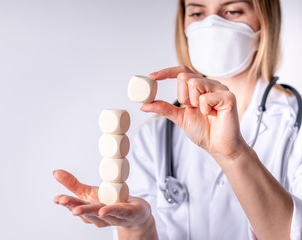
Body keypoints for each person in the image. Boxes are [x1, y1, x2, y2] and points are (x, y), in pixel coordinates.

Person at [53, 0, 302, 239]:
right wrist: (138, 227)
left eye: (233, 11)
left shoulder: (294, 125)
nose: (211, 24)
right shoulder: (153, 138)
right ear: (183, 25)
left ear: (265, 23)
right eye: (197, 13)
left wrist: (234, 155)